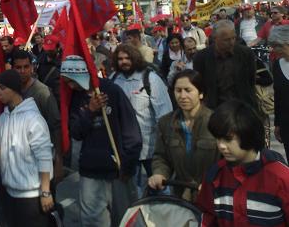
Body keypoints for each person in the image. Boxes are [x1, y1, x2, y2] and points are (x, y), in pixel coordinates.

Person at [61, 55, 142, 226]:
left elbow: (131, 131)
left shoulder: (112, 90)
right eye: (67, 82)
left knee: (124, 220)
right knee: (93, 221)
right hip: (91, 171)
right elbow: (76, 132)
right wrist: (90, 111)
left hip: (118, 170)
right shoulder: (75, 97)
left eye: (71, 81)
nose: (70, 86)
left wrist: (128, 165)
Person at [196, 100, 289, 226]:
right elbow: (207, 217)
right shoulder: (215, 175)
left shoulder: (281, 177)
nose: (221, 146)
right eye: (218, 138)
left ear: (248, 133)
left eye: (228, 139)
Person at [0, 70, 54, 227]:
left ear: (14, 88)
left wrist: (45, 191)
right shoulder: (4, 117)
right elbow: (15, 148)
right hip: (9, 194)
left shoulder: (33, 119)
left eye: (2, 88)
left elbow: (44, 156)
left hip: (31, 198)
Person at [148, 70, 219, 201]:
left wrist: (213, 183)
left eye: (188, 90)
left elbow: (226, 160)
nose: (183, 96)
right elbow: (161, 156)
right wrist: (159, 173)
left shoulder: (216, 121)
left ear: (201, 93)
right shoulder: (166, 123)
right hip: (181, 195)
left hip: (212, 194)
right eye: (178, 90)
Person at [111, 44, 172, 192]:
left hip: (150, 148)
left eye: (127, 58)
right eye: (120, 59)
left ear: (135, 58)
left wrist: (165, 145)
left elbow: (165, 114)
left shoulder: (150, 79)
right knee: (133, 192)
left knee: (161, 189)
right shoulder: (113, 79)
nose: (124, 62)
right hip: (126, 149)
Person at [12, 49, 63, 181]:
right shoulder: (11, 91)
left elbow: (56, 126)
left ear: (32, 67)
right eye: (18, 67)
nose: (22, 71)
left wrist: (58, 160)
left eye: (26, 67)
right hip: (20, 161)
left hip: (42, 159)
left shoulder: (42, 92)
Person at [193, 19, 257, 110]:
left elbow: (251, 82)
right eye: (226, 40)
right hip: (214, 109)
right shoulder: (201, 57)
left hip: (242, 108)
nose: (231, 42)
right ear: (215, 38)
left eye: (233, 38)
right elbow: (199, 85)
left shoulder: (246, 54)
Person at [269, 25, 289, 159]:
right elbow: (278, 96)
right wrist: (277, 124)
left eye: (277, 46)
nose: (273, 50)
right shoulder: (277, 65)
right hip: (286, 122)